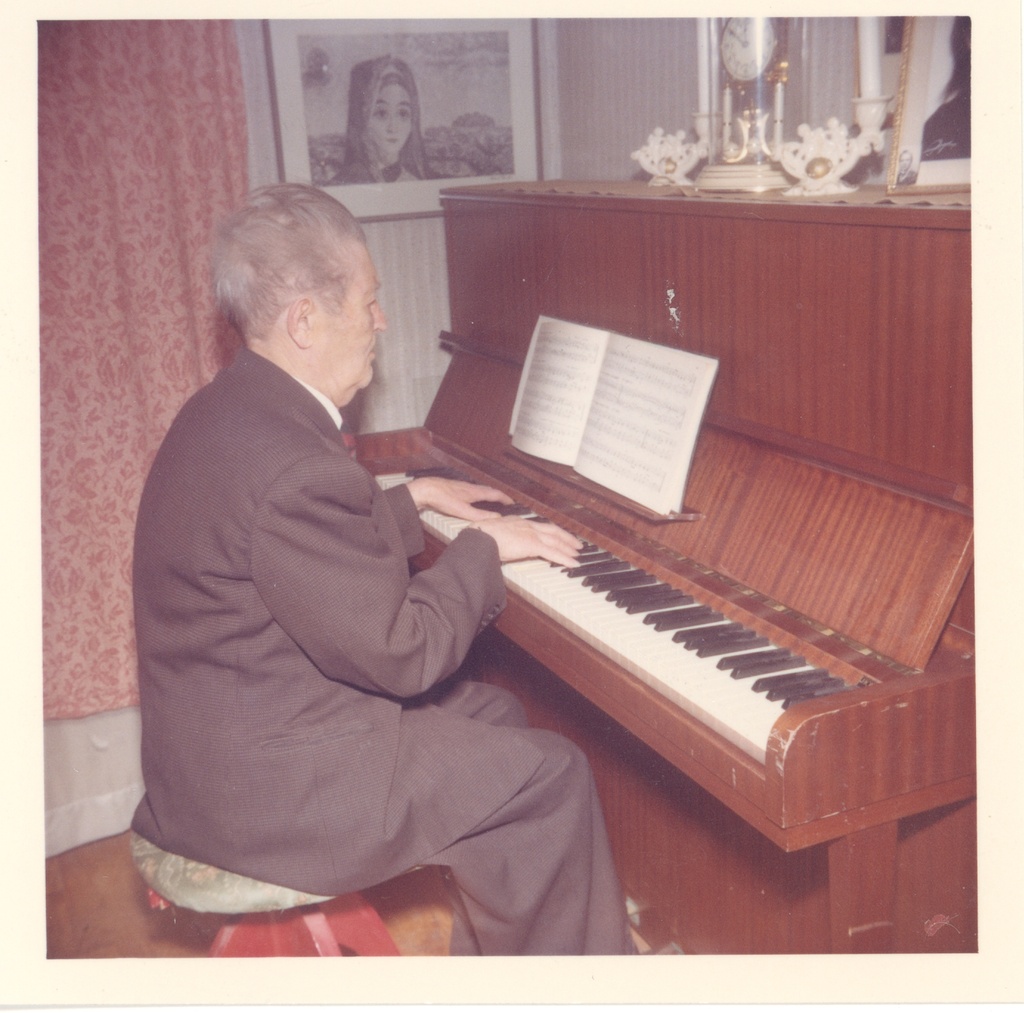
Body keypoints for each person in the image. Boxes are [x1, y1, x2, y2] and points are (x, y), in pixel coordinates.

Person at [130, 183, 636, 956]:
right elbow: (403, 653)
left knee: (495, 719)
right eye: (368, 302)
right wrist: (484, 548)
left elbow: (282, 553)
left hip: (223, 758)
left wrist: (412, 498)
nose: (382, 321)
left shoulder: (226, 411)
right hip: (270, 799)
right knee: (550, 779)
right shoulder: (295, 465)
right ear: (305, 320)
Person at [335, 56, 429, 184]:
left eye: (402, 113)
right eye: (381, 113)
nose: (393, 127)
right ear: (361, 119)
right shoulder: (345, 184)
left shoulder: (416, 182)